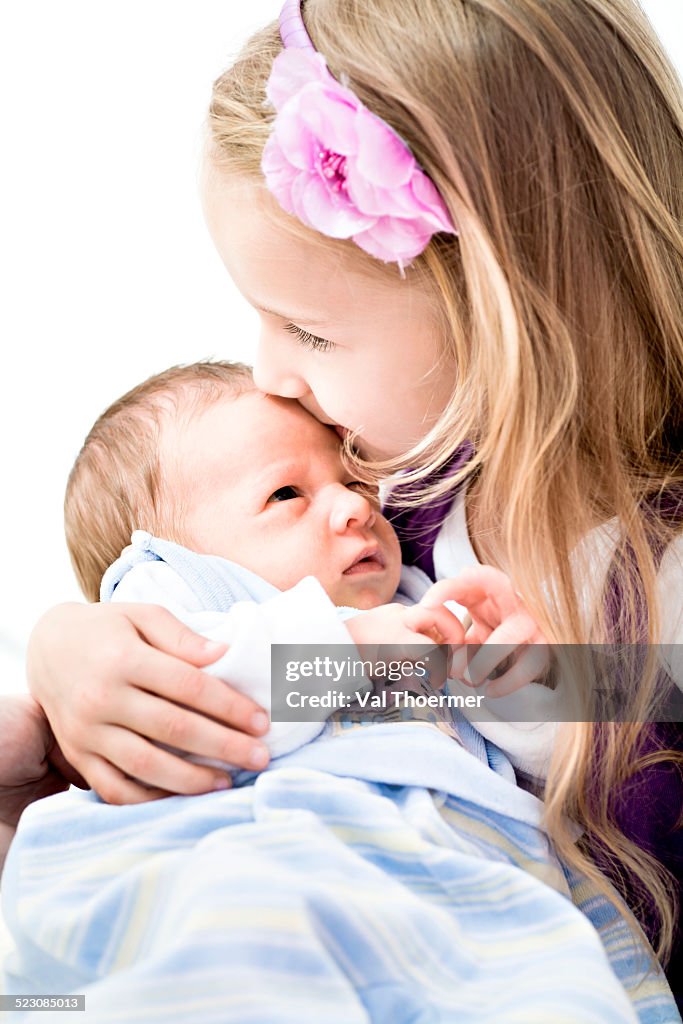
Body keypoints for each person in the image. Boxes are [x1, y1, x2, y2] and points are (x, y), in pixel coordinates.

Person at [22, 0, 683, 1003]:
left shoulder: (653, 580)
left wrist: (433, 673)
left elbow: (608, 702)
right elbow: (210, 608)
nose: (270, 374)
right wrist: (68, 657)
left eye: (307, 332)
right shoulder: (387, 496)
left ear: (508, 303)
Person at [54, 357, 546, 784]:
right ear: (173, 559)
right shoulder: (177, 595)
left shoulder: (422, 601)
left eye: (356, 480)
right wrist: (350, 646)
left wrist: (517, 678)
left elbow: (560, 759)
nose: (355, 504)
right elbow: (184, 715)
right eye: (286, 494)